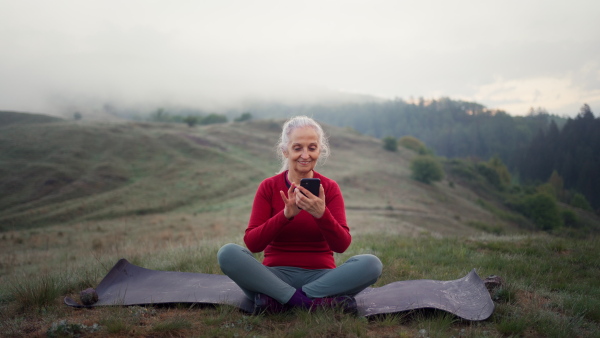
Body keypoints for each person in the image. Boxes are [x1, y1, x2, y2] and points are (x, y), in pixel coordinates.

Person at [217, 115, 382, 314]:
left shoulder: (329, 188)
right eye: (297, 148)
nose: (305, 155)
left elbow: (341, 246)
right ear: (285, 151)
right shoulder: (269, 187)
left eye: (312, 148)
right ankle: (310, 304)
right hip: (273, 278)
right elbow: (253, 244)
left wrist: (322, 214)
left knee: (371, 264)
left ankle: (281, 302)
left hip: (322, 279)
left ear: (320, 150)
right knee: (228, 253)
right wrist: (285, 215)